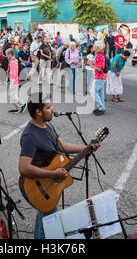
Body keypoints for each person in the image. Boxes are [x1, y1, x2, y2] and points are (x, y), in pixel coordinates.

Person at [19, 92, 100, 239]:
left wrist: (86, 147)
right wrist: (53, 174)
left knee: (46, 214)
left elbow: (62, 147)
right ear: (38, 112)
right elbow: (24, 168)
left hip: (48, 186)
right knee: (48, 218)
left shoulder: (47, 126)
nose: (53, 109)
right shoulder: (30, 136)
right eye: (49, 107)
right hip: (39, 184)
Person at [7, 49, 27, 114]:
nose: (6, 56)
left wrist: (12, 84)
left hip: (14, 81)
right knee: (11, 95)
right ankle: (15, 108)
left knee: (13, 96)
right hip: (14, 80)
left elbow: (14, 73)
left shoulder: (13, 62)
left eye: (7, 54)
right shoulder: (14, 60)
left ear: (10, 55)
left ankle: (22, 104)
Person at [90, 41, 106, 116]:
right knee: (100, 93)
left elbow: (99, 69)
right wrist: (92, 63)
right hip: (101, 77)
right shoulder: (99, 55)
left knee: (93, 92)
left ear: (98, 47)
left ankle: (101, 107)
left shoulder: (99, 55)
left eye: (94, 45)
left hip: (99, 77)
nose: (93, 46)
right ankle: (101, 107)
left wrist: (91, 65)